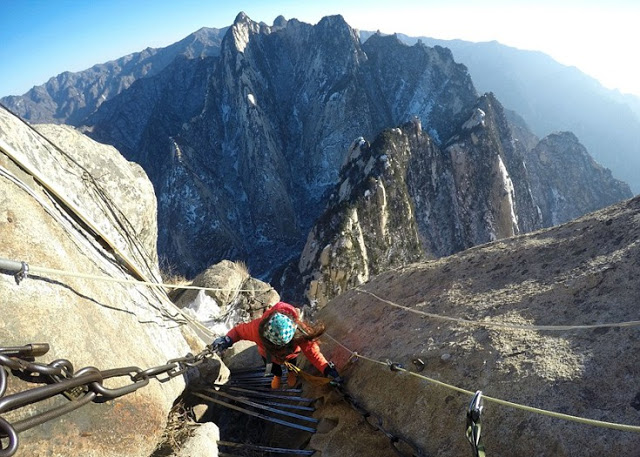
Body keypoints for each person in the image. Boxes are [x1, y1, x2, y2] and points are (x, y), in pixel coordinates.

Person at [211, 301, 341, 389]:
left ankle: (291, 373)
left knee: (292, 365)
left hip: (290, 355)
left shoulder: (297, 330)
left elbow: (312, 351)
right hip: (268, 355)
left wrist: (325, 368)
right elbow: (239, 331)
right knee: (272, 367)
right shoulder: (257, 329)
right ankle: (277, 376)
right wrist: (228, 339)